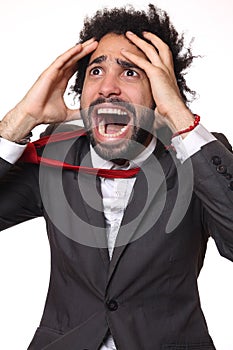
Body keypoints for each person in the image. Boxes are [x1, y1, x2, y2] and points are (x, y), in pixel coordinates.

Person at [0, 4, 233, 350]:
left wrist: (180, 117)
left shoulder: (196, 159)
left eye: (130, 73)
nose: (108, 88)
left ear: (160, 91)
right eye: (96, 71)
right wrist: (21, 118)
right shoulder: (53, 156)